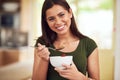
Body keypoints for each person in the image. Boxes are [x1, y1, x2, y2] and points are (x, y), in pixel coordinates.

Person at [32, 0, 99, 80]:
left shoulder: (89, 44)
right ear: (46, 21)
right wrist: (44, 59)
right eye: (51, 19)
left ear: (70, 13)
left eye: (61, 15)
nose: (58, 22)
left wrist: (80, 78)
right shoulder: (42, 43)